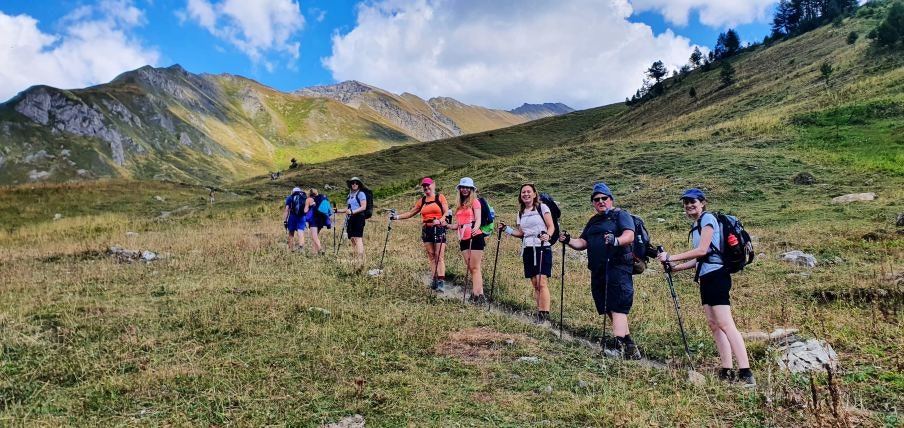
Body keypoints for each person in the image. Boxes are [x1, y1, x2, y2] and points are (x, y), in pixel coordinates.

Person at [656, 188, 755, 386]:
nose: (689, 205)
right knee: (714, 324)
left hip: (717, 276)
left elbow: (701, 250)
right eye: (686, 203)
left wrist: (670, 257)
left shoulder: (707, 219)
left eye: (693, 201)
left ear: (703, 203)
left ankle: (746, 372)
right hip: (706, 277)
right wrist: (675, 269)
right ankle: (726, 368)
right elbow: (701, 259)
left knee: (726, 324)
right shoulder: (697, 225)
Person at [559, 183, 641, 359]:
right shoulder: (593, 221)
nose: (601, 201)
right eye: (597, 200)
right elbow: (583, 243)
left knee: (618, 305)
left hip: (617, 266)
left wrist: (615, 241)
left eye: (604, 198)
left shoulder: (621, 215)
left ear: (611, 200)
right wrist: (568, 240)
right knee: (608, 307)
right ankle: (630, 347)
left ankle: (618, 347)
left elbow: (629, 235)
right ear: (593, 203)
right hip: (597, 269)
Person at [498, 183, 555, 323]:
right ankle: (540, 312)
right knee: (535, 283)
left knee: (542, 281)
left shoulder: (542, 207)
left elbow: (551, 226)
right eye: (523, 192)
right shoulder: (520, 213)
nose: (526, 194)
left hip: (542, 246)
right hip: (528, 248)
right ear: (520, 195)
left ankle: (544, 314)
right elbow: (521, 233)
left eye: (529, 191)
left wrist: (548, 235)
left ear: (535, 194)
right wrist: (506, 229)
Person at [391, 178, 450, 290]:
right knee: (431, 255)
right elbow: (410, 213)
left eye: (428, 186)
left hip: (438, 228)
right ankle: (435, 279)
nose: (426, 188)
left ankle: (441, 281)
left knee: (439, 255)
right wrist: (396, 217)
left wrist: (441, 220)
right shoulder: (422, 201)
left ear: (433, 185)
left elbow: (446, 212)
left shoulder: (440, 197)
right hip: (426, 229)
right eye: (424, 186)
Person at [447, 177, 487, 304]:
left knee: (475, 267)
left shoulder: (475, 202)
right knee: (471, 267)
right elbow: (457, 225)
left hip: (474, 237)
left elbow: (478, 219)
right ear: (459, 189)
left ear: (471, 189)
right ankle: (479, 294)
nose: (465, 190)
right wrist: (445, 225)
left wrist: (475, 228)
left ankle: (477, 295)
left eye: (467, 187)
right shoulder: (459, 205)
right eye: (462, 187)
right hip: (463, 238)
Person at [337, 177, 367, 262]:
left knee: (358, 237)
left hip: (359, 217)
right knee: (352, 238)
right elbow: (347, 209)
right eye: (353, 183)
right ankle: (356, 257)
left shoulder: (361, 194)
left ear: (359, 185)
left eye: (356, 183)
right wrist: (337, 211)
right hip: (351, 218)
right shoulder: (349, 195)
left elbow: (363, 207)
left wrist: (353, 212)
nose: (354, 184)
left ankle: (361, 258)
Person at [304, 188, 331, 255]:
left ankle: (320, 250)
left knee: (314, 236)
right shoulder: (321, 199)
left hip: (313, 220)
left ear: (309, 193)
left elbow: (305, 211)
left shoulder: (309, 199)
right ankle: (314, 253)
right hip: (321, 219)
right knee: (315, 236)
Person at [283, 187, 307, 252]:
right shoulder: (304, 197)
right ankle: (301, 247)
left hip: (292, 217)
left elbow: (287, 210)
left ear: (293, 191)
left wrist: (285, 220)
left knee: (291, 232)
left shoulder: (290, 198)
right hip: (302, 217)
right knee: (301, 231)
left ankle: (291, 249)